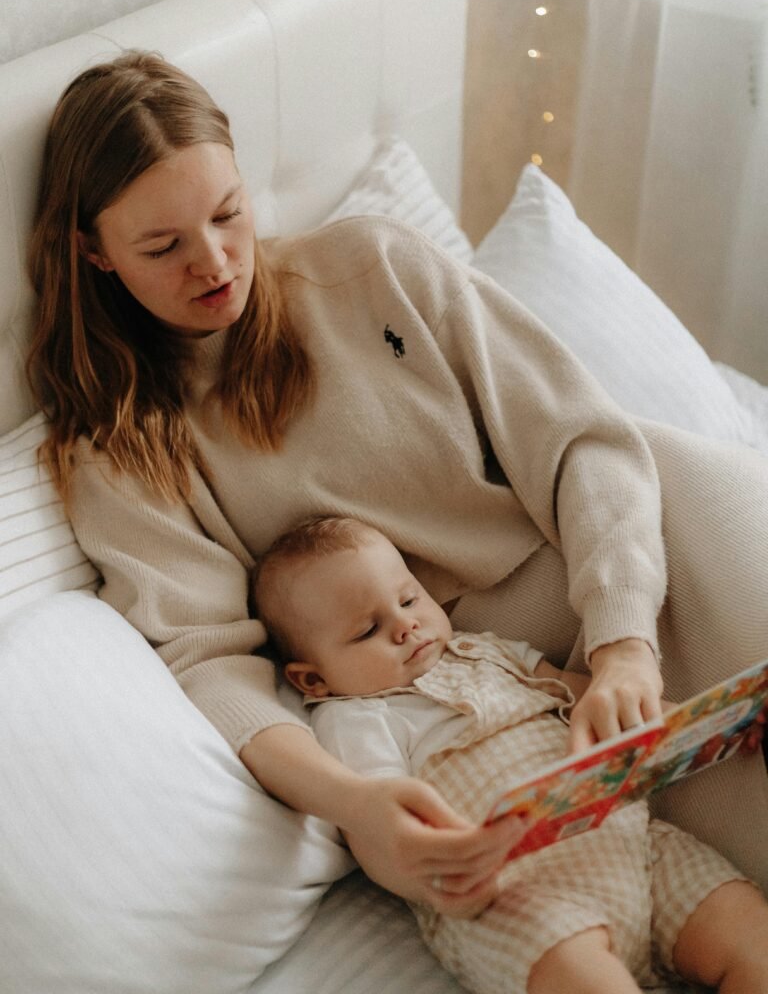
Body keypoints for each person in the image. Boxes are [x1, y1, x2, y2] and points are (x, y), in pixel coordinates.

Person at [27, 50, 768, 912]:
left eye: (230, 214)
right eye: (164, 246)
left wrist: (623, 642)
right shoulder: (121, 448)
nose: (218, 263)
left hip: (651, 554)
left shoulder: (372, 266)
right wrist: (353, 803)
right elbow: (210, 664)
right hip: (501, 708)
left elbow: (582, 441)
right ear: (93, 252)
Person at [253, 514, 768, 994]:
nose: (405, 626)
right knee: (579, 975)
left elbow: (588, 695)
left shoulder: (489, 651)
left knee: (748, 932)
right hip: (514, 897)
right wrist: (433, 879)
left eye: (409, 600)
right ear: (313, 679)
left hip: (634, 843)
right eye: (368, 630)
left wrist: (700, 723)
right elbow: (377, 829)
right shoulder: (354, 718)